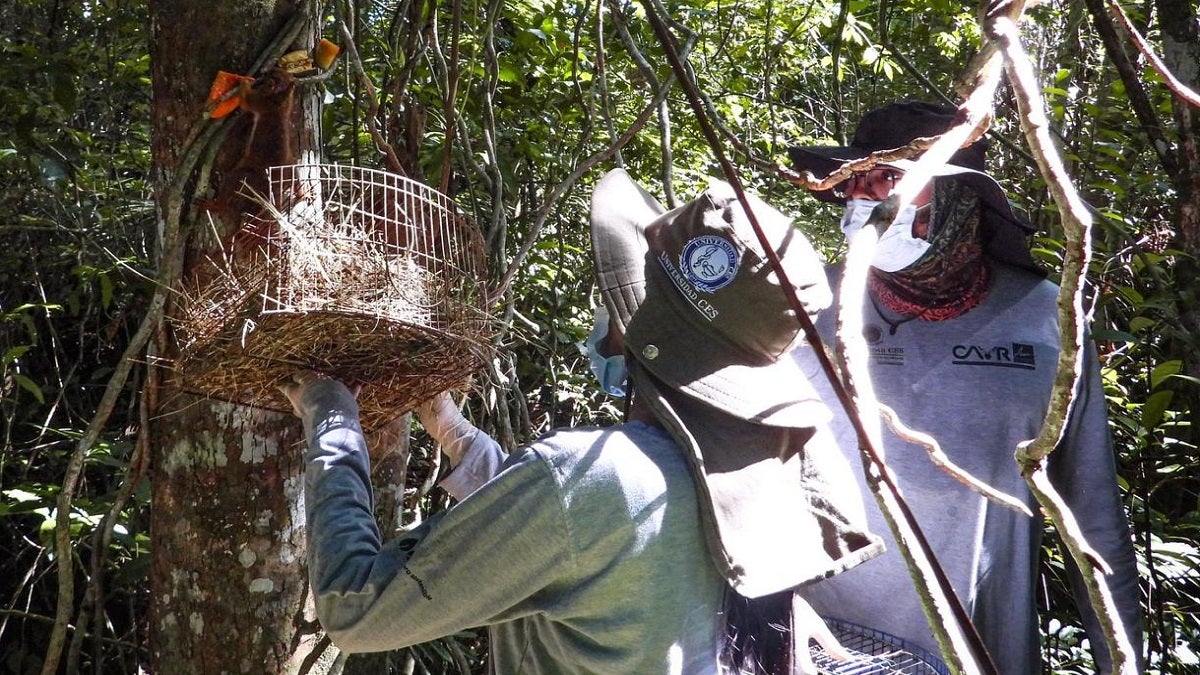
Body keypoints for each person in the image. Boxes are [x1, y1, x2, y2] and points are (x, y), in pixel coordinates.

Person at [282, 169, 883, 673]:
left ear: (645, 333)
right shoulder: (776, 453)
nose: (606, 312)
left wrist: (332, 424)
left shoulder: (592, 478)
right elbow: (588, 551)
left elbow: (358, 611)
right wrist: (458, 439)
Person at [787, 100, 1143, 674]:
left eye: (892, 178)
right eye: (856, 183)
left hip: (984, 656)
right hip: (815, 653)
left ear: (960, 195)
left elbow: (1094, 522)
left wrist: (1121, 663)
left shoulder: (1047, 323)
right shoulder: (804, 310)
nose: (867, 200)